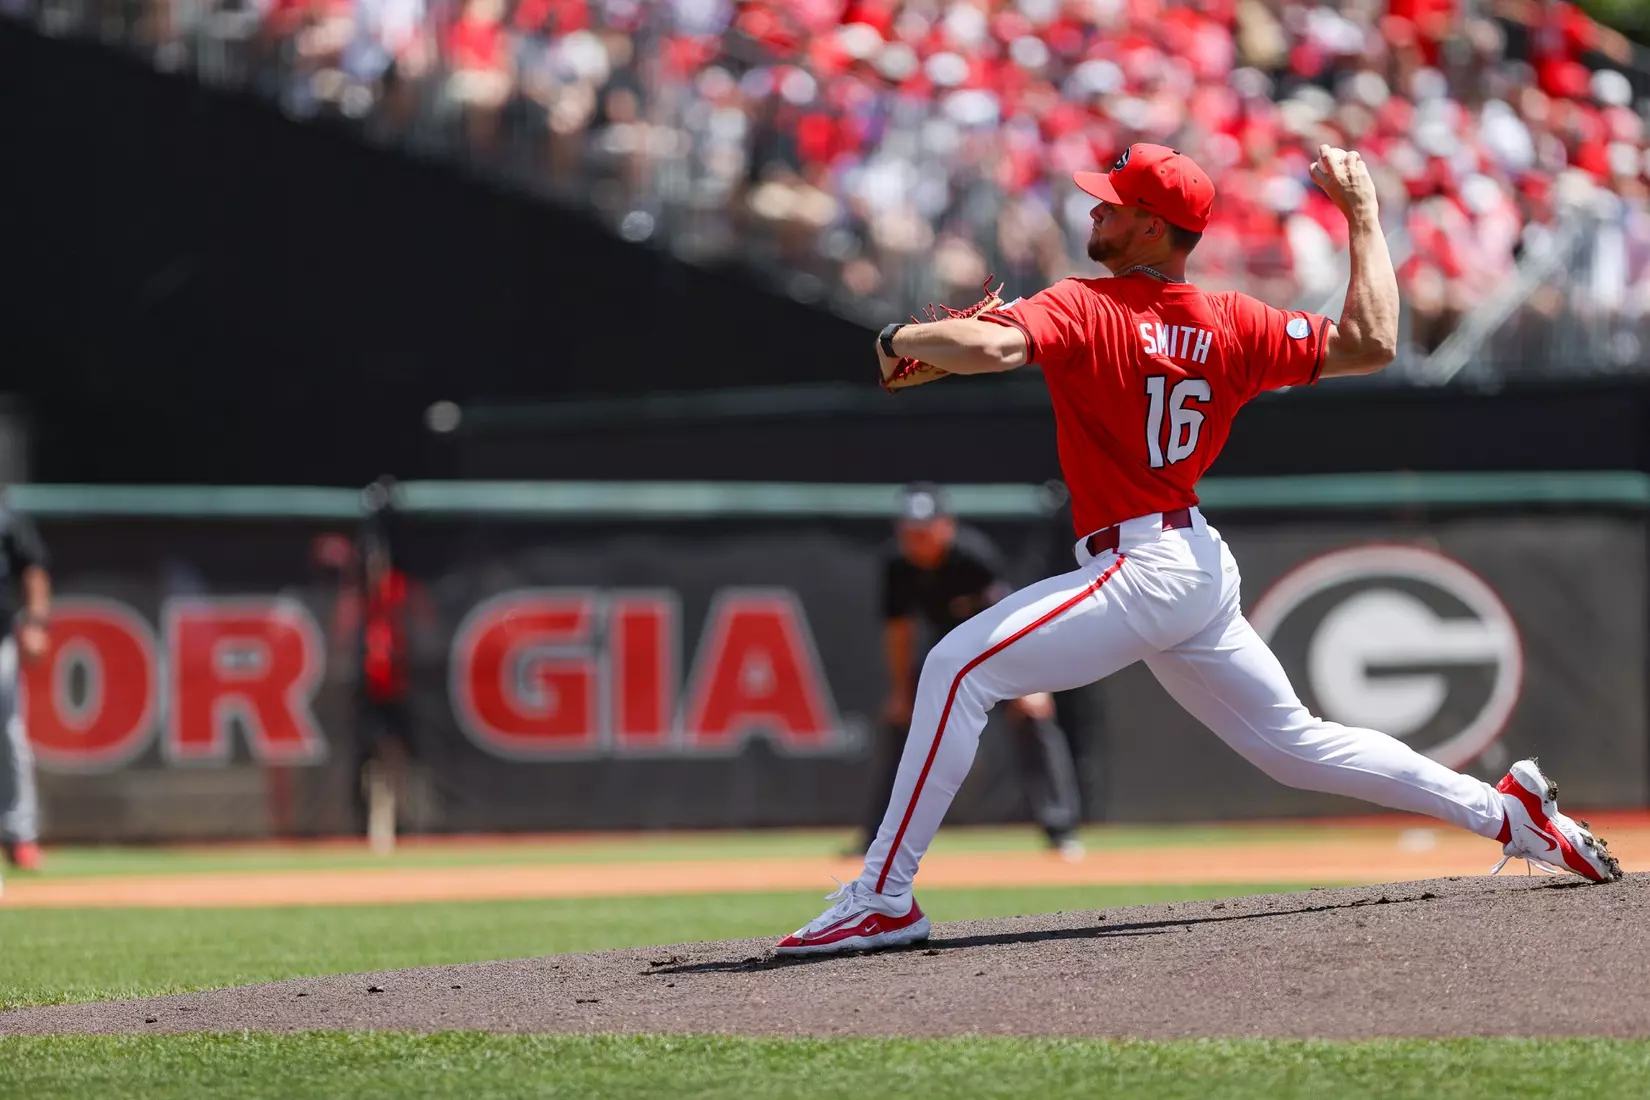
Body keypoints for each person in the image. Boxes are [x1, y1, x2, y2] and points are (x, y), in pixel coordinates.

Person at [776, 143, 1621, 956]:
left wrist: (897, 340)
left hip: (1141, 564)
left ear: (1150, 226)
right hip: (1192, 562)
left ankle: (882, 897)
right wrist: (1364, 215)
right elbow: (1372, 343)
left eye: (1112, 202)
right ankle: (1508, 814)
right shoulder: (1233, 321)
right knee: (1294, 746)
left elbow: (994, 346)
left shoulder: (1085, 303)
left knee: (959, 668)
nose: (1095, 208)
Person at [855, 483, 1086, 862]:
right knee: (900, 725)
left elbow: (1012, 618)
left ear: (946, 526)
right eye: (909, 530)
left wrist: (1031, 684)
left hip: (995, 652)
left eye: (925, 529)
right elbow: (899, 631)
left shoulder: (972, 555)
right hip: (943, 658)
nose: (917, 538)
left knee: (1033, 719)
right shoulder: (898, 566)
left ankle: (1061, 830)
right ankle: (876, 840)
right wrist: (901, 692)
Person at [0, 495, 50, 875]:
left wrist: (35, 622)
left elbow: (32, 569)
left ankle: (20, 835)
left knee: (9, 736)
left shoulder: (6, 514)